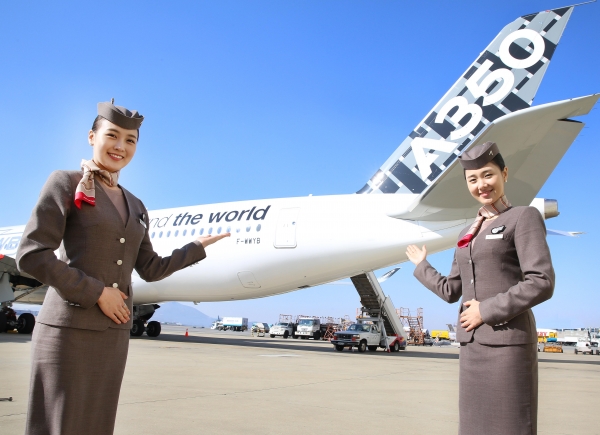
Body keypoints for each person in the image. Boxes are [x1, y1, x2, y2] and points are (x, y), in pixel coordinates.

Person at [16, 100, 229, 435]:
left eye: (130, 140)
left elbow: (151, 268)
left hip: (113, 335)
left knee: (97, 424)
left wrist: (195, 248)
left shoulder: (136, 205)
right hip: (68, 331)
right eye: (112, 135)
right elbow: (32, 254)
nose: (121, 146)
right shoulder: (65, 182)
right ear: (92, 137)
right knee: (60, 424)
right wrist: (97, 292)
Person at [405, 141, 554, 435]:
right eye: (472, 179)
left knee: (509, 426)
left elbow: (541, 281)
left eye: (488, 175)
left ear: (504, 174)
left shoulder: (523, 217)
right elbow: (451, 291)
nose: (481, 185)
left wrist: (485, 310)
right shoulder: (468, 233)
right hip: (472, 348)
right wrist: (422, 266)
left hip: (507, 346)